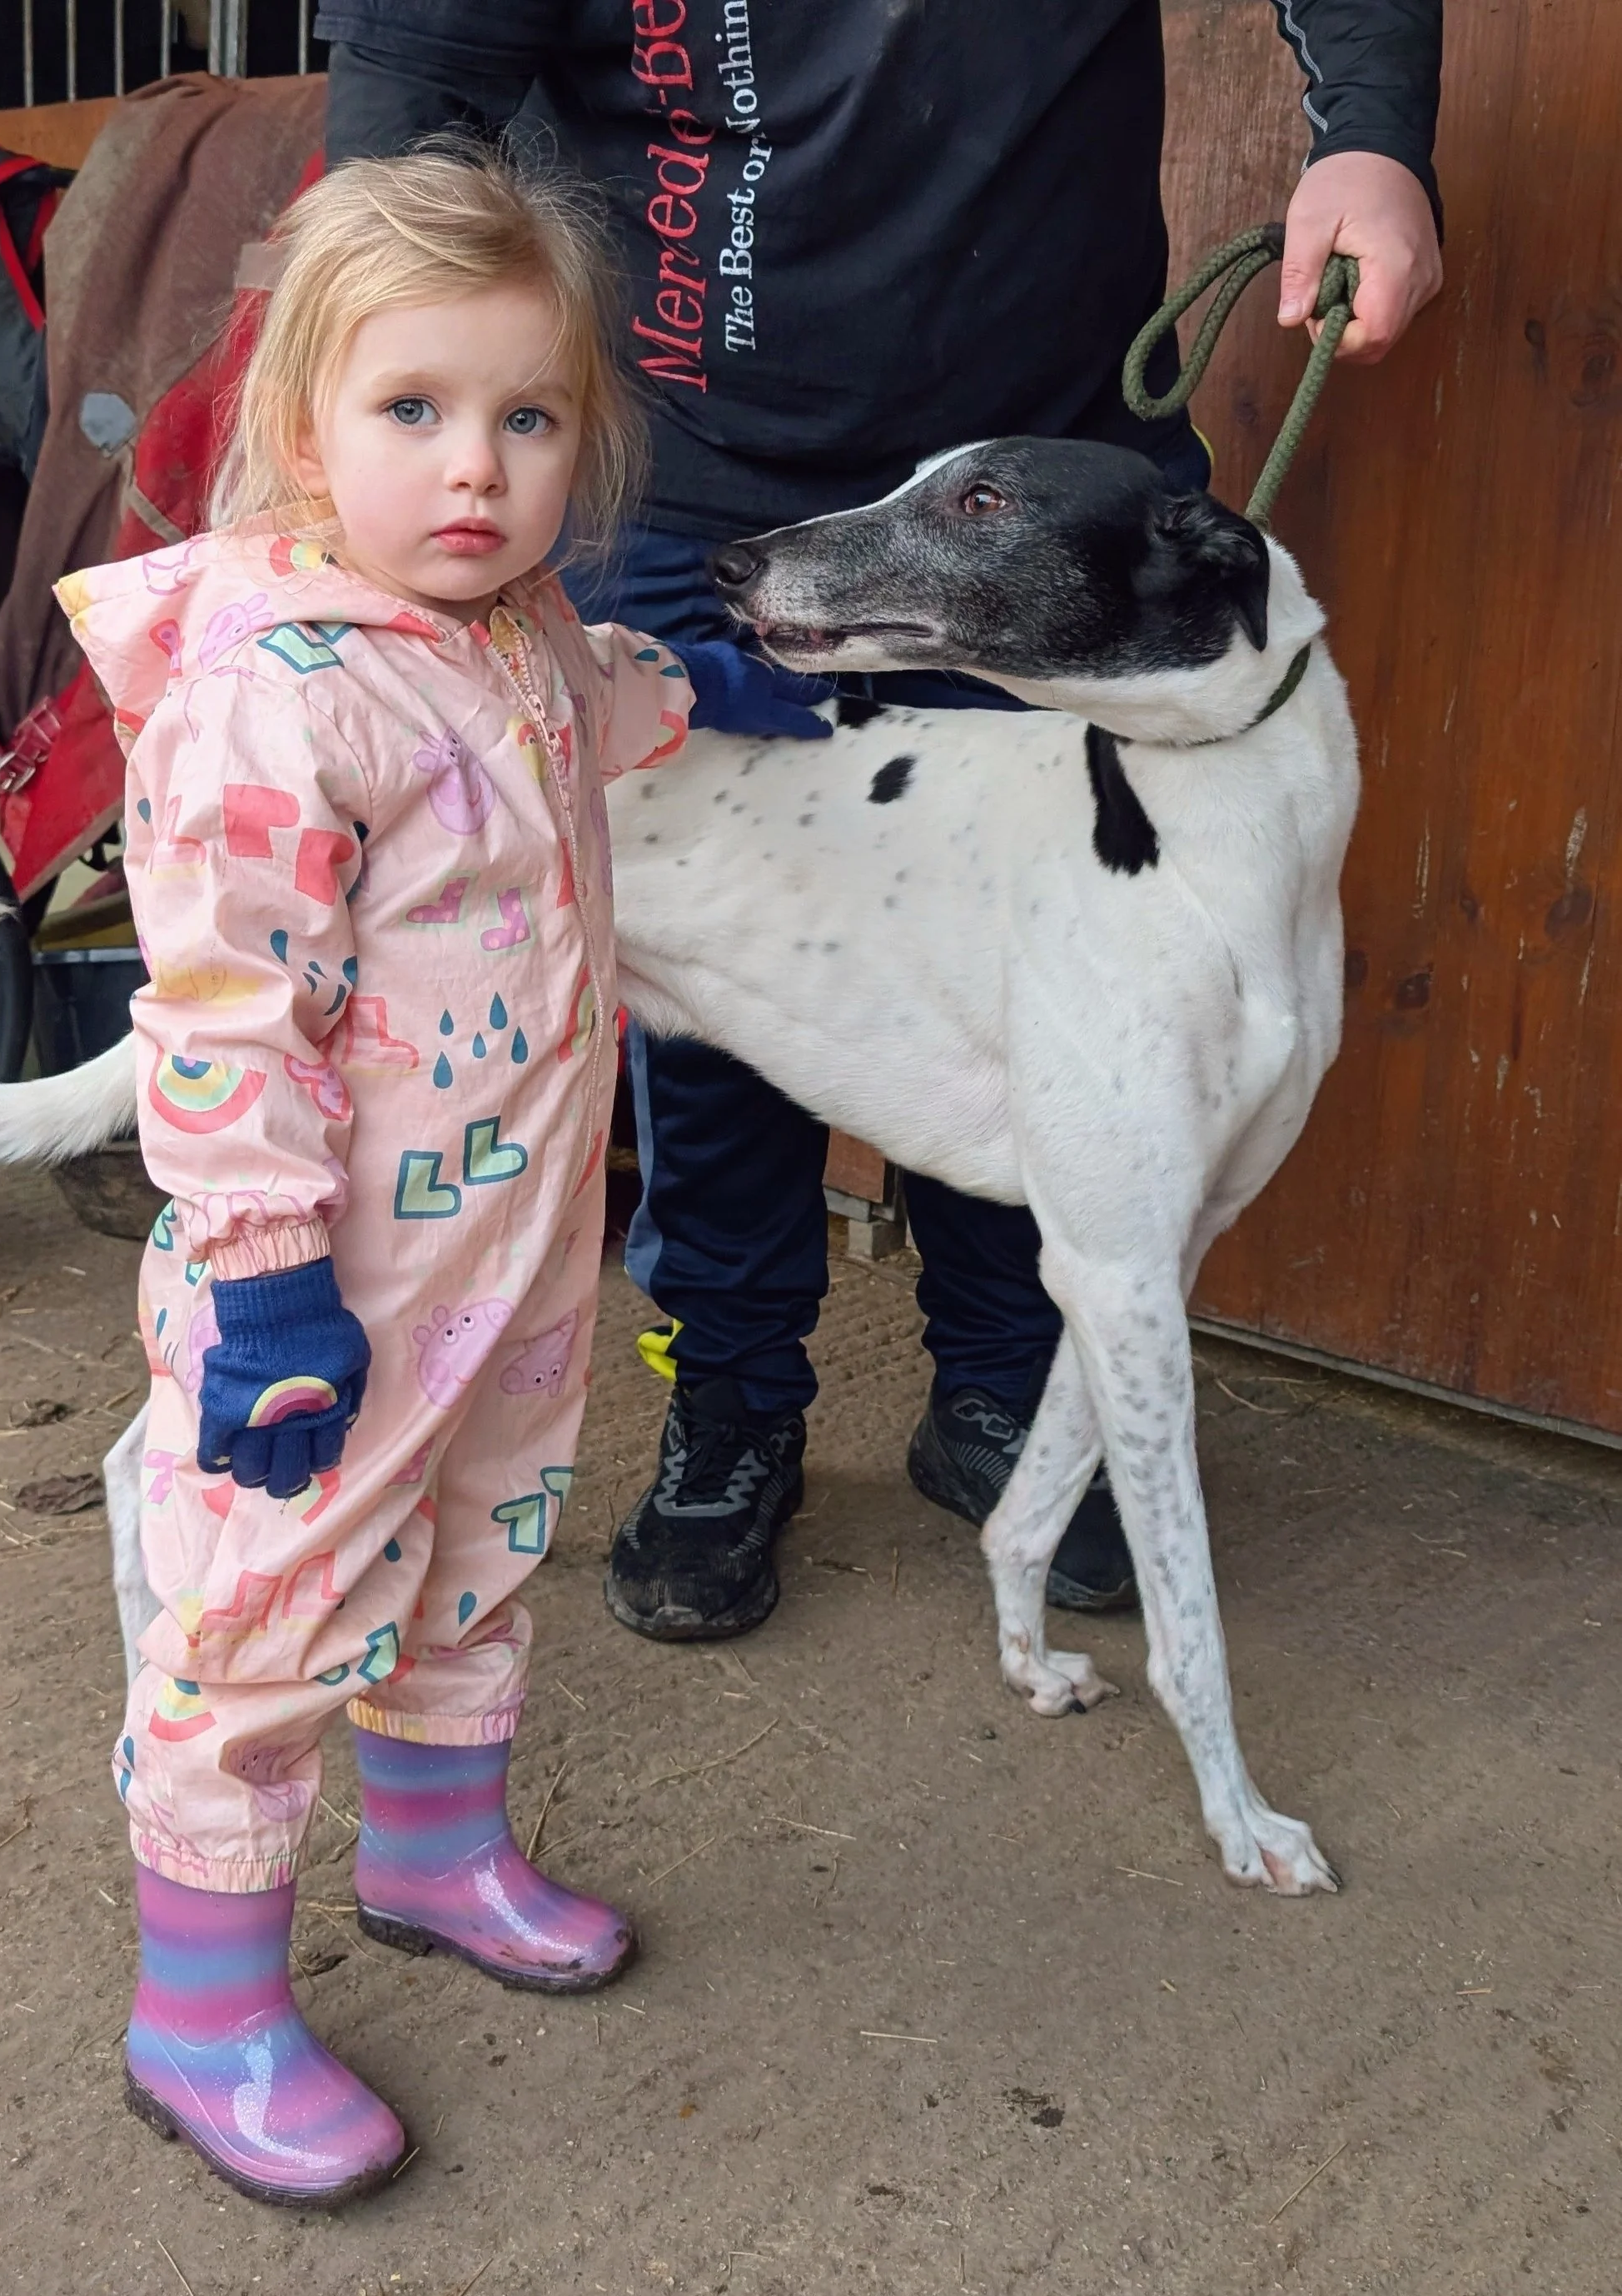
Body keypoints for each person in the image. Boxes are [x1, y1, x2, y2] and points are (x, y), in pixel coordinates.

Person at [319, 1, 1445, 1641]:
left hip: (1034, 472)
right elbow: (413, 89)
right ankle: (731, 1399)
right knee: (705, 961)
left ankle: (998, 1388)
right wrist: (382, 390)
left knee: (1069, 951)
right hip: (683, 451)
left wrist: (1371, 132)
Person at [62, 150, 722, 2206]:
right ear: (300, 427)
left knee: (483, 1538)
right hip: (321, 1287)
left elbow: (584, 709)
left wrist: (711, 691)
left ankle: (436, 1852)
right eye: (414, 412)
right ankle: (206, 2005)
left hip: (512, 1258)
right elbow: (228, 1013)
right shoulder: (274, 694)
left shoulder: (514, 630)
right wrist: (260, 1274)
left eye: (529, 420)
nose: (477, 469)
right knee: (261, 1619)